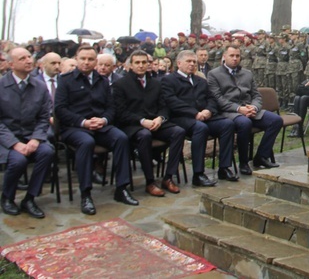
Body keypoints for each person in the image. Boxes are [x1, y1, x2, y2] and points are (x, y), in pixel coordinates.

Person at [55, 45, 138, 215]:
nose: (86, 62)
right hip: (75, 127)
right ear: (77, 59)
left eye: (90, 59)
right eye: (83, 59)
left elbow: (111, 107)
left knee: (121, 138)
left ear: (96, 61)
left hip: (100, 125)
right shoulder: (65, 80)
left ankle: (121, 188)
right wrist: (83, 122)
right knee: (86, 142)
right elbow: (60, 109)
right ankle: (86, 194)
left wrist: (104, 119)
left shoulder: (102, 81)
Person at [112, 50, 186, 197]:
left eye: (144, 62)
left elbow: (164, 106)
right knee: (144, 135)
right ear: (131, 65)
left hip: (155, 122)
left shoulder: (155, 83)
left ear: (149, 64)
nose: (141, 66)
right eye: (137, 63)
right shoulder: (120, 84)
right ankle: (150, 182)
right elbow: (121, 112)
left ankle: (168, 177)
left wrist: (160, 118)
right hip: (133, 125)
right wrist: (142, 121)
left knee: (179, 131)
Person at [161, 50, 238, 186]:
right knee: (200, 128)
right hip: (182, 118)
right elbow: (172, 102)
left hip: (205, 116)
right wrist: (194, 113)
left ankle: (224, 168)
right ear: (179, 63)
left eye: (194, 62)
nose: (192, 64)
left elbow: (211, 98)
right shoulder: (169, 80)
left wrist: (208, 110)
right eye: (188, 61)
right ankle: (198, 174)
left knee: (227, 124)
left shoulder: (200, 80)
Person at [207, 45, 283, 175]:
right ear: (224, 57)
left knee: (276, 120)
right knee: (244, 123)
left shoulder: (247, 73)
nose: (235, 59)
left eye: (237, 56)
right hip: (229, 112)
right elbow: (218, 99)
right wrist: (239, 109)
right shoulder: (214, 74)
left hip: (250, 109)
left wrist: (254, 107)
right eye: (231, 56)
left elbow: (256, 95)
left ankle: (261, 156)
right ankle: (244, 162)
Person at [0, 48, 55, 218]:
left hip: (31, 136)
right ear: (11, 64)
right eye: (22, 58)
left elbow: (44, 116)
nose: (28, 60)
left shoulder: (39, 86)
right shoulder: (1, 86)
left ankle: (30, 198)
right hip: (7, 138)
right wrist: (15, 143)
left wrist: (36, 139)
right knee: (18, 161)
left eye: (29, 57)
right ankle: (7, 197)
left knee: (47, 152)